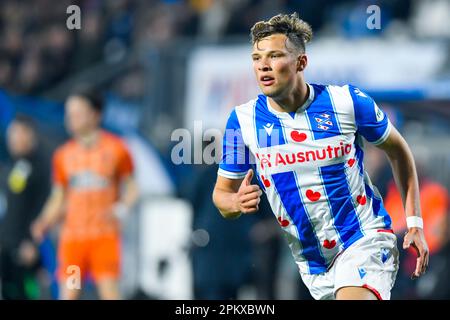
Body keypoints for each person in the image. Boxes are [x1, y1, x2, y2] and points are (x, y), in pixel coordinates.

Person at [212, 13, 429, 300]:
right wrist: (235, 202)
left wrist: (414, 222)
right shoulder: (242, 120)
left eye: (275, 55)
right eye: (256, 57)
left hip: (363, 240)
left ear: (301, 63)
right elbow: (222, 195)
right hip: (312, 264)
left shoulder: (346, 102)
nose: (263, 65)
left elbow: (399, 151)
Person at [31, 88, 138, 300]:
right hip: (73, 240)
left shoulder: (117, 150)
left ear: (95, 114)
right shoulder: (63, 155)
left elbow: (132, 187)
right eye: (69, 113)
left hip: (104, 237)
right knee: (69, 293)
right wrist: (45, 220)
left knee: (110, 294)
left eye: (77, 113)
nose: (71, 119)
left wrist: (121, 209)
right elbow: (59, 196)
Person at [0, 115, 50, 299]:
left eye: (18, 133)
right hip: (7, 245)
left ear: (30, 135)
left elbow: (43, 206)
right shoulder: (13, 165)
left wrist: (32, 242)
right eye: (11, 133)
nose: (13, 138)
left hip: (26, 246)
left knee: (28, 292)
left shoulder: (39, 167)